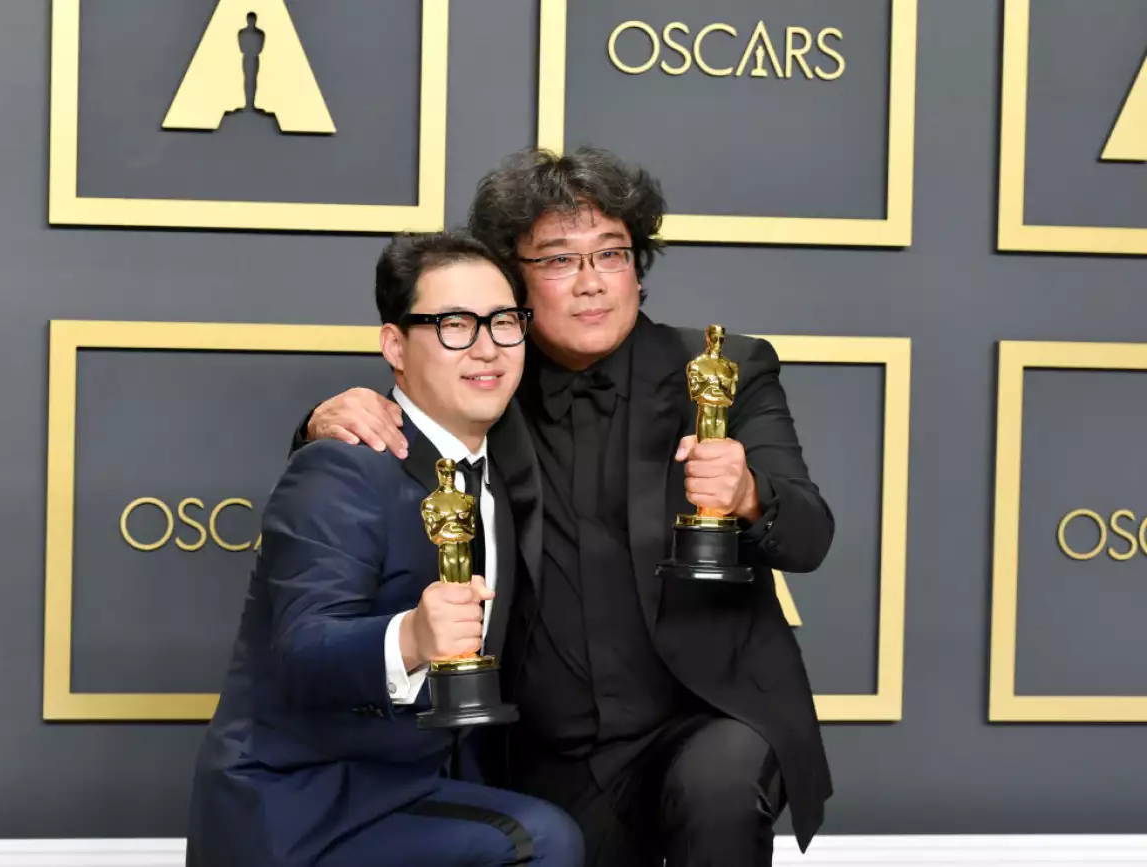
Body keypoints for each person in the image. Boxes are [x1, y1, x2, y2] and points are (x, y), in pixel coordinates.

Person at [293, 148, 835, 867]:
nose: (590, 284)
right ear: (512, 281)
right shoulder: (488, 374)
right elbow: (394, 447)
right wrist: (322, 420)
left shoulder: (727, 368)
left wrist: (747, 494)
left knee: (718, 790)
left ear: (637, 266)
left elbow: (809, 533)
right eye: (556, 260)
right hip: (543, 745)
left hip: (704, 714)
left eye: (610, 253)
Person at [186, 230, 583, 867]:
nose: (487, 347)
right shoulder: (343, 467)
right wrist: (412, 637)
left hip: (422, 785)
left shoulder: (503, 462)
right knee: (540, 840)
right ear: (395, 345)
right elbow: (300, 652)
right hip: (304, 805)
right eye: (455, 324)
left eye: (504, 322)